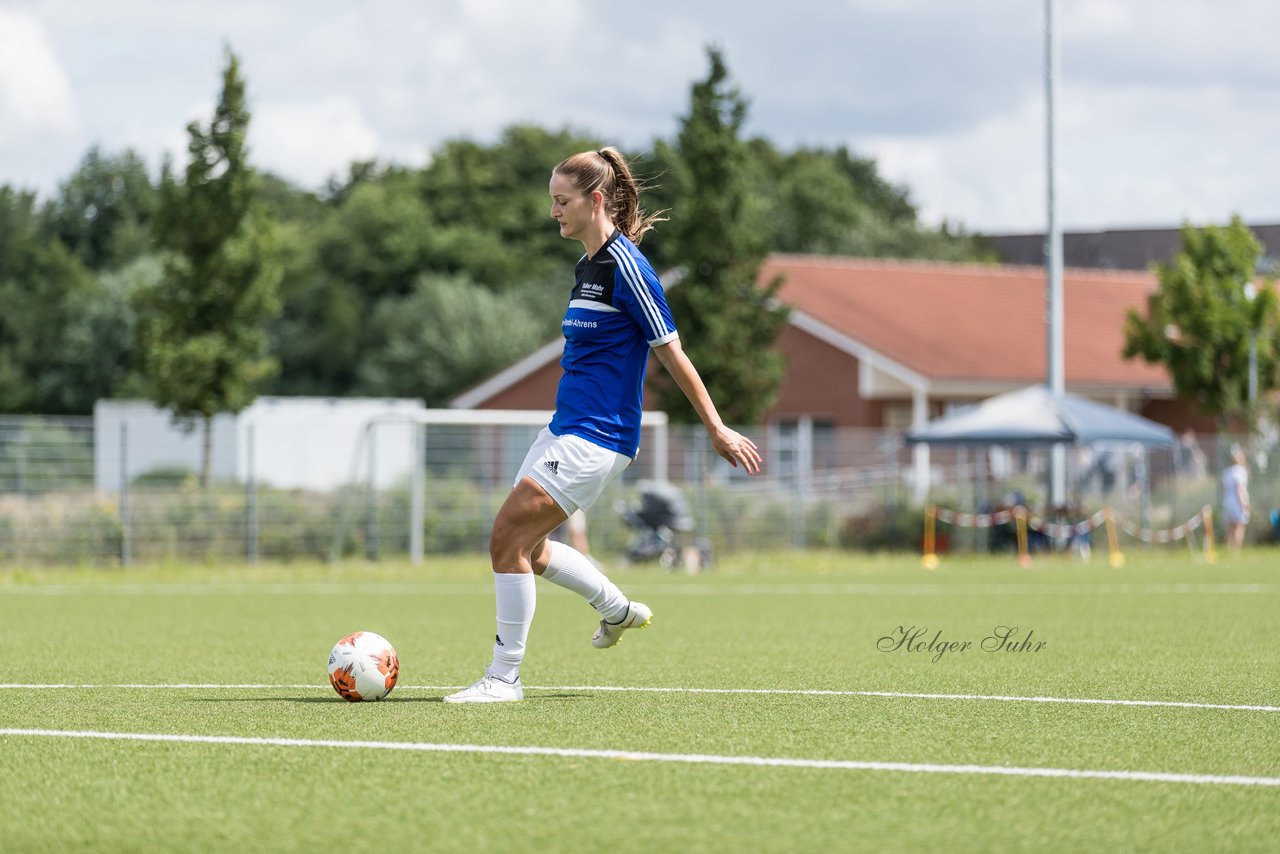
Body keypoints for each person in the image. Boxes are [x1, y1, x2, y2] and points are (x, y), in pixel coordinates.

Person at [444, 147, 763, 703]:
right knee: (531, 548)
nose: (553, 213)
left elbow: (672, 354)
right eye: (551, 201)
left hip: (598, 437)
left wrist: (716, 427)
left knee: (505, 539)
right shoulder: (587, 266)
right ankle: (616, 610)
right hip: (566, 429)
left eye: (561, 201)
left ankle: (504, 678)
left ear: (595, 201)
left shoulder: (629, 269)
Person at [1221, 444, 1250, 551]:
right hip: (1237, 502)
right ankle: (1236, 551)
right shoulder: (1240, 471)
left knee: (1230, 527)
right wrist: (1244, 503)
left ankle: (1229, 549)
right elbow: (1239, 489)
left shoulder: (1226, 472)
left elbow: (1223, 490)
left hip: (1227, 502)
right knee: (1239, 527)